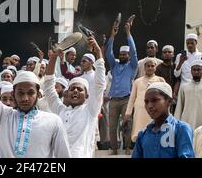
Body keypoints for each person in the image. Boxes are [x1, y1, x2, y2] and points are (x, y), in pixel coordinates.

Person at [0, 24, 71, 157]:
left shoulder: (53, 121)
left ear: (38, 94)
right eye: (20, 93)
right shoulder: (4, 115)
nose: (25, 98)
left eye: (30, 93)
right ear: (13, 94)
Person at [43, 35, 106, 158]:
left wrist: (98, 51)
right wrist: (54, 57)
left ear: (87, 95)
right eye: (72, 89)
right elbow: (49, 86)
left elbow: (99, 84)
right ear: (66, 93)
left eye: (79, 89)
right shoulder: (60, 110)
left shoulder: (90, 110)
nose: (75, 91)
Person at [132, 82, 195, 158]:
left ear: (169, 101)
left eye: (154, 100)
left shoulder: (181, 129)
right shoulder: (143, 135)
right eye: (146, 102)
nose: (149, 106)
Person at [105, 18, 138, 155]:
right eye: (121, 54)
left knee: (127, 125)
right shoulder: (114, 65)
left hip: (126, 99)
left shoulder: (132, 66)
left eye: (125, 54)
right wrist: (112, 35)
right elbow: (108, 53)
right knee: (112, 127)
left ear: (129, 56)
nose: (122, 56)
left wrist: (128, 33)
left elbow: (135, 51)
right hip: (113, 100)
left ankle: (127, 148)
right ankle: (114, 149)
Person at [125, 57, 166, 143]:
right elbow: (132, 98)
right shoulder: (137, 81)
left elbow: (165, 97)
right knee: (139, 133)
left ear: (155, 67)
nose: (150, 68)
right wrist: (128, 112)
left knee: (155, 131)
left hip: (155, 111)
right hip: (140, 111)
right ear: (144, 67)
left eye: (152, 66)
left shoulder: (160, 80)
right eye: (148, 66)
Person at [174, 60, 202, 130]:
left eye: (198, 70)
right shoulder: (184, 86)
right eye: (194, 70)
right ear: (191, 71)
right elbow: (180, 105)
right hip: (187, 120)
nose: (196, 72)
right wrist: (176, 122)